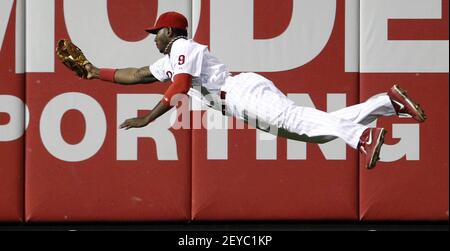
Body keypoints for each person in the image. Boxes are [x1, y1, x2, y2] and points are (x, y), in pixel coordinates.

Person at [81, 12, 426, 169]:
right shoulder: (170, 59)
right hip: (240, 105)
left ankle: (364, 137)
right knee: (317, 135)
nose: (152, 37)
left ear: (170, 32)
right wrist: (96, 73)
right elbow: (138, 74)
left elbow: (182, 87)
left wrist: (147, 119)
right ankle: (387, 103)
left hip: (243, 93)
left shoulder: (183, 47)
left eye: (155, 32)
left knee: (302, 120)